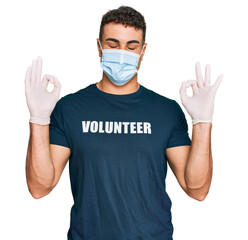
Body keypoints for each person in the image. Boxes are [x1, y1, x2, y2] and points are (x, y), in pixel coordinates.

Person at [24, 5, 223, 240]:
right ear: (98, 47)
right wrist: (39, 119)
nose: (122, 54)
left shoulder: (166, 111)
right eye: (113, 44)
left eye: (131, 46)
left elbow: (197, 190)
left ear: (143, 50)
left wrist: (202, 121)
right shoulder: (70, 109)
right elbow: (39, 187)